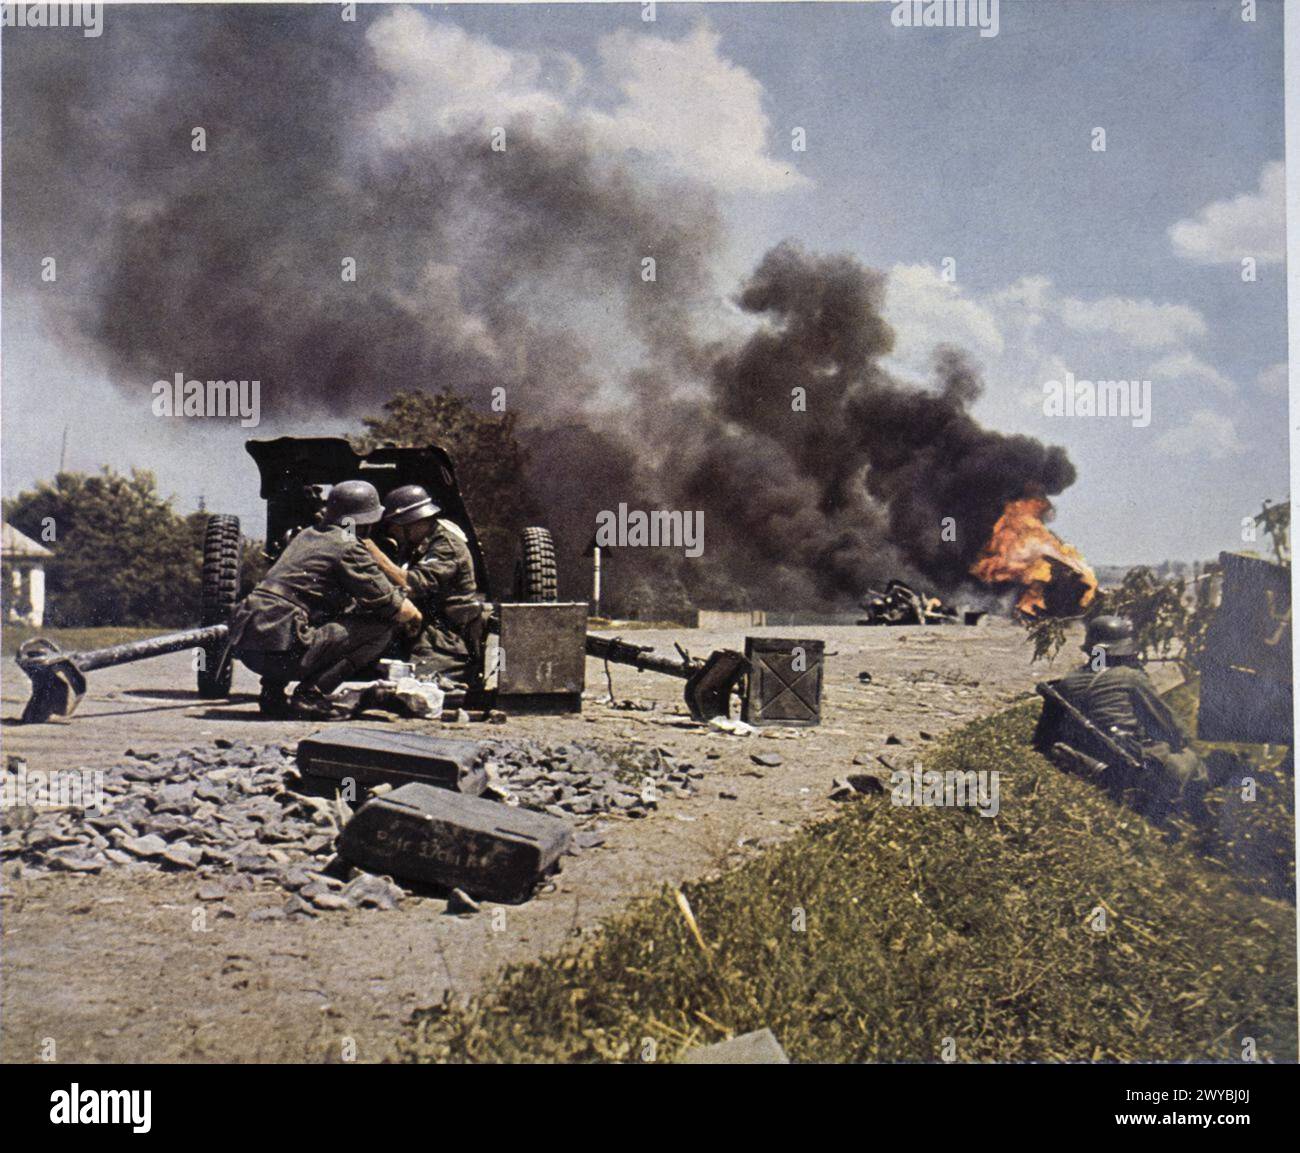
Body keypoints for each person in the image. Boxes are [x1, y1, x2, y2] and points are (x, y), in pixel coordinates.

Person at [228, 480, 422, 718]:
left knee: (301, 614)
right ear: (367, 521)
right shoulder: (348, 546)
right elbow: (397, 608)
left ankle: (272, 694)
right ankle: (311, 695)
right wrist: (414, 614)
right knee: (382, 627)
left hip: (250, 647)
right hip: (281, 652)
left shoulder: (306, 536)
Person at [1046, 615, 1208, 819]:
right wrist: (1185, 743)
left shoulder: (1070, 680)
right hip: (1124, 761)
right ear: (1124, 651)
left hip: (1087, 750)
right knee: (1190, 761)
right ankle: (1180, 819)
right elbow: (1171, 727)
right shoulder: (1130, 678)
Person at [367, 484, 485, 683]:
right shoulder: (418, 544)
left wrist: (372, 550)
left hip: (445, 639)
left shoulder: (446, 546)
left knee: (415, 686)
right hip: (418, 629)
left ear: (409, 523)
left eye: (394, 526)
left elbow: (411, 584)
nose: (392, 532)